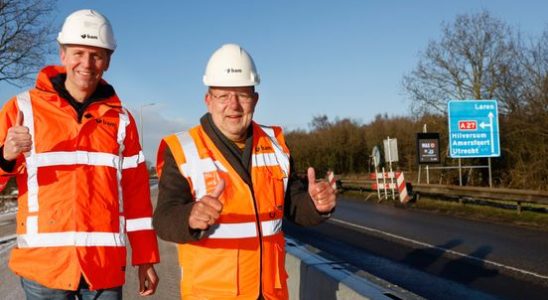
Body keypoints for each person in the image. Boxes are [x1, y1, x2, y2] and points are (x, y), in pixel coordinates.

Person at [153, 43, 337, 300]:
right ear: (208, 100)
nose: (234, 105)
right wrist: (190, 217)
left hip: (270, 293)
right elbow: (163, 219)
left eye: (242, 95)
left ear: (256, 99)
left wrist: (317, 205)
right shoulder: (184, 149)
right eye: (223, 95)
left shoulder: (275, 144)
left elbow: (292, 205)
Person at [0, 9, 160, 299]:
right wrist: (6, 156)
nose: (86, 63)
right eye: (78, 53)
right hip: (44, 270)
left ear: (108, 61)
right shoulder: (22, 110)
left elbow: (137, 198)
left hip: (104, 268)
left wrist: (145, 255)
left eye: (96, 55)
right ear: (62, 54)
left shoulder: (122, 120)